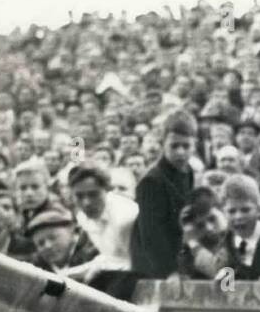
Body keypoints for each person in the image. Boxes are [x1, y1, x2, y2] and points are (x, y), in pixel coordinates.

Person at [129, 110, 198, 279]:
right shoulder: (151, 181)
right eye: (174, 146)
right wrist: (170, 271)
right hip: (153, 264)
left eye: (186, 146)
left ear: (194, 145)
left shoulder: (188, 171)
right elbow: (152, 235)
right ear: (163, 144)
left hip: (178, 252)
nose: (181, 152)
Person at [67, 162, 138, 273]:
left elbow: (142, 263)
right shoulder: (82, 217)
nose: (86, 203)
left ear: (107, 190)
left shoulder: (125, 218)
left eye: (93, 194)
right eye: (79, 196)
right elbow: (111, 257)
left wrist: (99, 269)